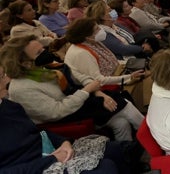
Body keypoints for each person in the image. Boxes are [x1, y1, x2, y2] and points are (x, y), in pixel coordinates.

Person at [1, 34, 143, 142]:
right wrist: (86, 91)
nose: (44, 53)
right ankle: (153, 136)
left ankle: (131, 153)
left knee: (121, 121)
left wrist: (100, 94)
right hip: (62, 118)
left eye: (42, 49)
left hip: (75, 104)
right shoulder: (22, 88)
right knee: (123, 102)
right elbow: (56, 112)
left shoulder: (44, 68)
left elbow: (79, 79)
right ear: (24, 63)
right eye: (38, 53)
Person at [0, 63, 131, 173]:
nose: (8, 80)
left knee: (117, 150)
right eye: (2, 77)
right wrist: (53, 159)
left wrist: (63, 142)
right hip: (35, 167)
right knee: (105, 168)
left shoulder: (10, 106)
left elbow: (38, 133)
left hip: (48, 153)